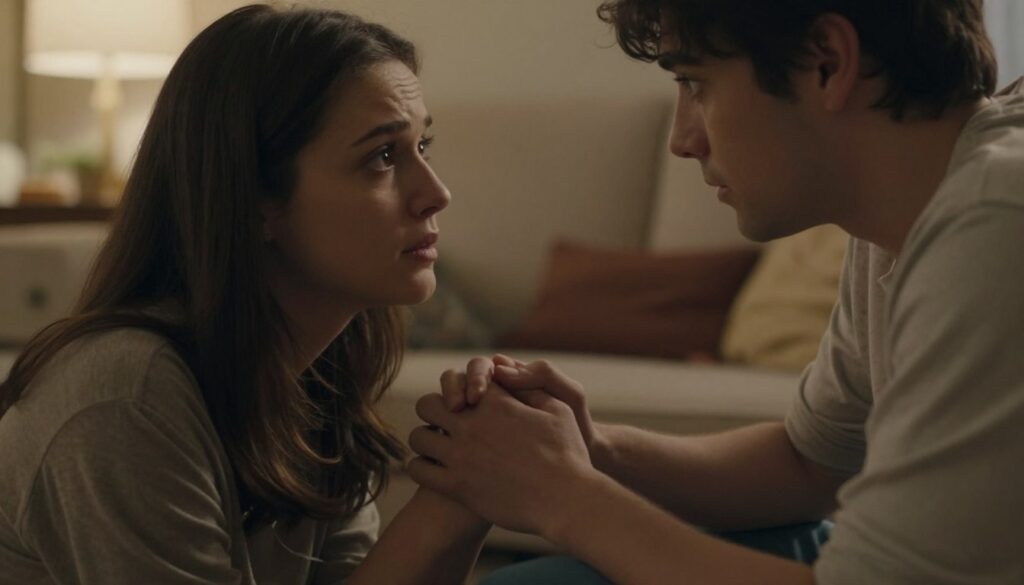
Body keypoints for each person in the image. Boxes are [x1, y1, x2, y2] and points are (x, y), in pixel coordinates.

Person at [407, 0, 1024, 583]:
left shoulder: (995, 218)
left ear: (827, 63)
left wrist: (562, 496)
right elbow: (809, 463)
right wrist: (592, 449)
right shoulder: (903, 213)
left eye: (696, 84)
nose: (682, 139)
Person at [0, 5, 491, 584]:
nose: (436, 193)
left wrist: (467, 482)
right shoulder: (126, 399)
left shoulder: (319, 374)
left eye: (422, 148)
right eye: (382, 157)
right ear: (256, 200)